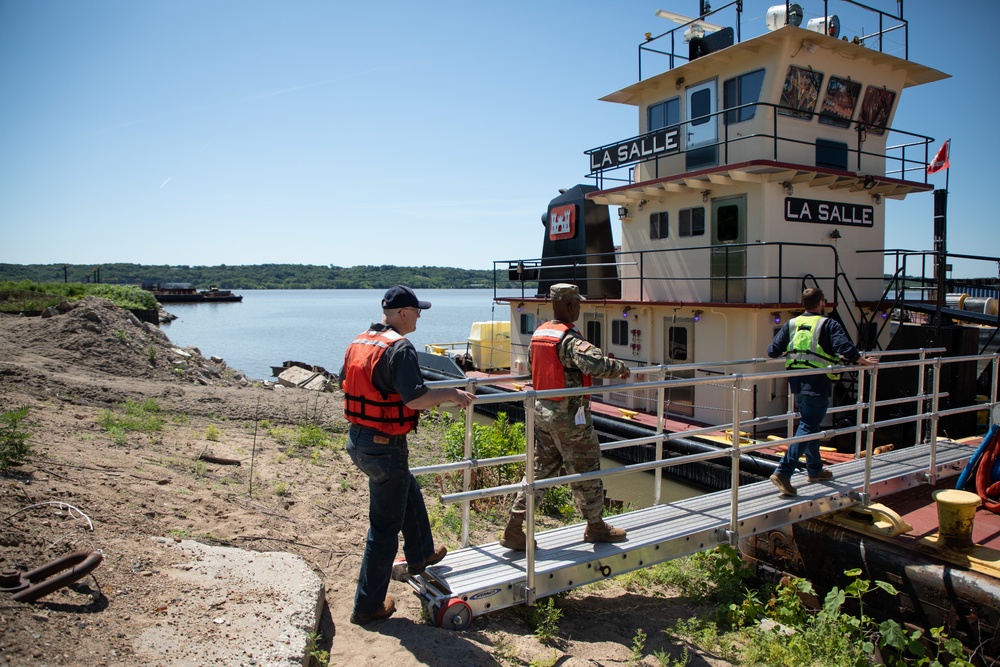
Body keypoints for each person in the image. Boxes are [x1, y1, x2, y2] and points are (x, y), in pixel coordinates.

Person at [342, 285, 476, 626]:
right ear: (402, 313)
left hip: (358, 440)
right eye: (417, 310)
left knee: (403, 484)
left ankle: (421, 554)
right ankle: (367, 606)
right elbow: (414, 398)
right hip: (384, 444)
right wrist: (452, 394)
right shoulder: (400, 348)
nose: (419, 315)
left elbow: (348, 380)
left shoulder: (361, 340)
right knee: (383, 528)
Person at [499, 283, 632, 550]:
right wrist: (620, 368)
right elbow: (595, 364)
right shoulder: (570, 340)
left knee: (540, 472)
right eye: (578, 304)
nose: (580, 308)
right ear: (570, 305)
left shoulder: (539, 335)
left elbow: (534, 368)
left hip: (542, 414)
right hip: (570, 419)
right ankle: (595, 527)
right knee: (587, 469)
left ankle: (514, 528)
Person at [766, 287, 878, 497]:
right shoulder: (828, 323)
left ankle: (815, 470)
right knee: (810, 425)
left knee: (811, 424)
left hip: (796, 383)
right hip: (817, 383)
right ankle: (783, 472)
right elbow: (843, 347)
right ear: (821, 304)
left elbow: (772, 351)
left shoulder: (792, 324)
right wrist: (861, 360)